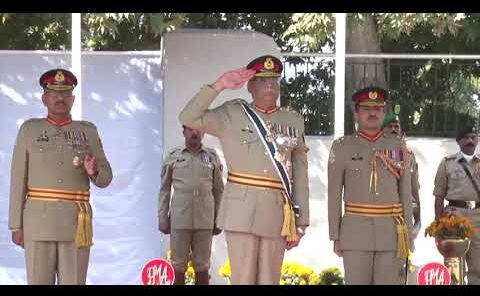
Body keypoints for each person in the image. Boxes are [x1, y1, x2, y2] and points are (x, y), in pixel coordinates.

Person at [178, 55, 310, 284]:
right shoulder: (232, 114)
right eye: (261, 80)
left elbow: (300, 173)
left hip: (277, 212)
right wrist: (218, 86)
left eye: (274, 80)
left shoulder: (293, 121)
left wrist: (300, 221)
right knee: (243, 279)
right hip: (241, 211)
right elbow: (188, 117)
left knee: (270, 279)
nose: (270, 85)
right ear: (250, 86)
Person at [8, 68, 113, 284]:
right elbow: (18, 179)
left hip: (75, 224)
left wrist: (93, 171)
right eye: (54, 94)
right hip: (38, 223)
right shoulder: (29, 130)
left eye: (65, 93)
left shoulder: (87, 132)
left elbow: (106, 178)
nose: (60, 98)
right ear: (44, 98)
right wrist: (16, 225)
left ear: (72, 99)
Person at [328, 86, 413, 284]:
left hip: (391, 233)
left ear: (384, 112)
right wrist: (335, 235)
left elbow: (406, 192)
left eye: (378, 108)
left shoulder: (398, 145)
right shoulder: (342, 147)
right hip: (354, 232)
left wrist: (407, 232)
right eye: (366, 108)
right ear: (356, 113)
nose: (373, 113)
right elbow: (333, 194)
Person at [158, 125, 224, 285]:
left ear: (203, 132)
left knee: (202, 266)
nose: (194, 133)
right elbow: (164, 189)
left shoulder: (212, 157)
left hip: (205, 218)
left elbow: (219, 190)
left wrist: (219, 218)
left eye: (198, 130)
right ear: (183, 132)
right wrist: (162, 218)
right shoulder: (173, 156)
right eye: (190, 129)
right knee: (178, 266)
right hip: (180, 218)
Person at [433, 125, 480, 284]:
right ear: (458, 141)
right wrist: (439, 223)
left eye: (473, 137)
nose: (470, 141)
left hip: (478, 218)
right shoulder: (447, 163)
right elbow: (439, 196)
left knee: (478, 265)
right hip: (454, 216)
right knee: (453, 264)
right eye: (466, 138)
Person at [382, 113, 421, 243]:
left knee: (403, 258)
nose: (393, 129)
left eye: (396, 127)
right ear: (382, 131)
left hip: (405, 213)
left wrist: (418, 220)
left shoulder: (409, 155)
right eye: (389, 126)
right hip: (382, 213)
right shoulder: (375, 154)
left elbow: (414, 188)